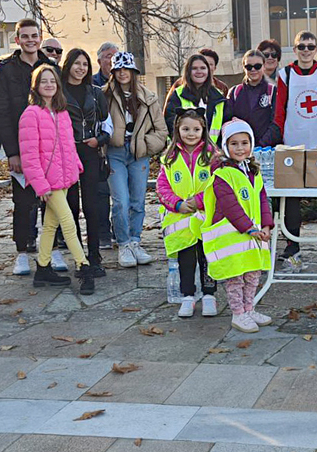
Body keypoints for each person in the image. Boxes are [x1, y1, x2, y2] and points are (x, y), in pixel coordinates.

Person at [18, 65, 96, 295]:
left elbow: (68, 144)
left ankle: (43, 267)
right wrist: (40, 185)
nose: (49, 85)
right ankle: (83, 267)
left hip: (65, 178)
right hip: (48, 183)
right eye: (43, 81)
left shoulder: (62, 112)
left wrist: (76, 166)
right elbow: (29, 156)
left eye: (52, 81)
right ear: (36, 86)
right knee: (69, 223)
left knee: (51, 225)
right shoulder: (31, 114)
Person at [0, 18, 56, 277]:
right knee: (23, 203)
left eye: (34, 36)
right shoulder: (6, 70)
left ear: (40, 38)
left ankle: (52, 251)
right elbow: (1, 112)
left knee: (52, 202)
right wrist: (12, 153)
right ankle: (21, 253)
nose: (31, 40)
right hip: (21, 148)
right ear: (17, 40)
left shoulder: (51, 67)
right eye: (25, 36)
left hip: (49, 149)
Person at [273, 29, 317, 270]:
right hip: (293, 143)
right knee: (291, 197)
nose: (306, 51)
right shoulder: (285, 74)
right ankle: (292, 245)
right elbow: (280, 110)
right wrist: (279, 140)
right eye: (301, 46)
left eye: (311, 46)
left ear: (316, 49)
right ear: (295, 49)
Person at [202, 119, 274, 333]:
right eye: (234, 144)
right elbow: (230, 206)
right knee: (235, 278)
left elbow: (262, 199)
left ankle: (249, 309)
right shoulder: (222, 174)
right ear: (225, 146)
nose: (240, 148)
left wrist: (266, 225)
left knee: (252, 275)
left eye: (245, 143)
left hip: (254, 236)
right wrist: (249, 228)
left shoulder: (253, 171)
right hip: (235, 237)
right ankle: (238, 313)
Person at [104, 51, 167, 267]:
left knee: (138, 201)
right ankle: (123, 244)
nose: (123, 73)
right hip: (115, 152)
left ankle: (135, 241)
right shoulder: (104, 95)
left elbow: (161, 130)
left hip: (139, 153)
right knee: (120, 201)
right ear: (113, 72)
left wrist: (144, 144)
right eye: (118, 69)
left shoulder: (148, 97)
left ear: (133, 72)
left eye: (127, 69)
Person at [158, 109, 219, 318]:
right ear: (177, 130)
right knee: (186, 259)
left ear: (203, 130)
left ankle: (209, 295)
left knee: (208, 257)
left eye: (196, 129)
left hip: (206, 218)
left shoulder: (212, 156)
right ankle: (188, 296)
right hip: (181, 219)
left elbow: (217, 184)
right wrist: (177, 204)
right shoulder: (169, 157)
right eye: (186, 129)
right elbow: (162, 187)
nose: (191, 134)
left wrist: (199, 201)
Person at [60, 48, 110, 278]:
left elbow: (106, 124)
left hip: (90, 152)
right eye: (77, 63)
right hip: (66, 154)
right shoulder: (58, 91)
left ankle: (94, 256)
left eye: (85, 64)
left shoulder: (95, 92)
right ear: (68, 64)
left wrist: (99, 140)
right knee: (70, 207)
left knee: (92, 206)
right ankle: (79, 258)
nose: (81, 68)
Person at [165, 53, 230, 146]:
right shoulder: (178, 94)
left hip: (212, 151)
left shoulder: (219, 96)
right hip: (185, 150)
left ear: (208, 71)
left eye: (203, 68)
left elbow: (225, 125)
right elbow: (170, 124)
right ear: (188, 71)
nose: (199, 71)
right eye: (194, 68)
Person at [90, 41, 118, 251]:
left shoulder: (126, 82)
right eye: (108, 56)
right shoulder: (91, 85)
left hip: (119, 144)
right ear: (99, 61)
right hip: (98, 145)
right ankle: (103, 233)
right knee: (100, 193)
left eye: (116, 56)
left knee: (120, 193)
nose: (112, 60)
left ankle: (120, 230)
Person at [226, 50, 280, 147]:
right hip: (241, 148)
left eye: (257, 66)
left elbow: (276, 123)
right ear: (244, 68)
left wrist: (260, 145)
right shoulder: (234, 92)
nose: (253, 69)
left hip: (265, 149)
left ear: (264, 66)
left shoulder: (272, 91)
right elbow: (228, 121)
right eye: (249, 67)